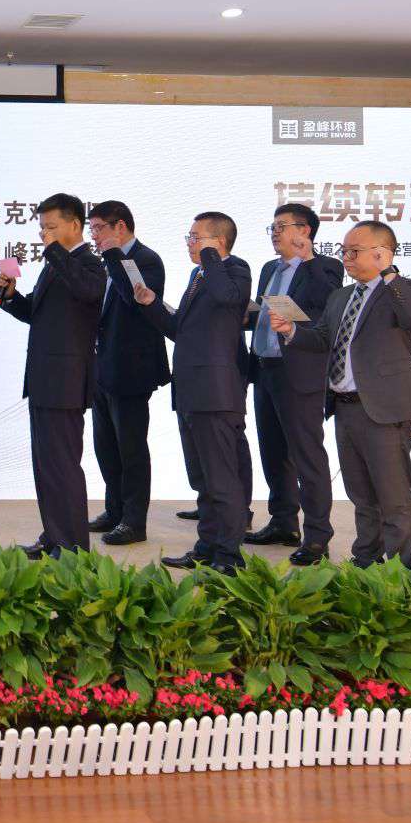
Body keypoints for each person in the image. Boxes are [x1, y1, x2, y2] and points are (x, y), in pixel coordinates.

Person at [270, 220, 411, 568]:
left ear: (381, 253)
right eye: (344, 251)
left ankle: (400, 573)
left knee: (393, 497)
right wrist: (291, 331)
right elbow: (322, 339)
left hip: (384, 410)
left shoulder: (405, 290)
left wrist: (389, 273)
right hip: (344, 408)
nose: (346, 258)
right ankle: (366, 562)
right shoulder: (341, 296)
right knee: (361, 495)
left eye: (354, 251)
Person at [131, 212, 252, 573]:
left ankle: (229, 555)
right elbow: (179, 330)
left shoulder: (235, 269)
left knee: (222, 479)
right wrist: (151, 303)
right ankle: (207, 546)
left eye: (196, 237)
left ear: (220, 242)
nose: (190, 243)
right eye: (190, 237)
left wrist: (210, 255)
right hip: (190, 390)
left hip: (217, 393)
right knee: (202, 478)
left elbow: (228, 297)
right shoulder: (198, 275)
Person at [0, 193, 107, 557]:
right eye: (42, 227)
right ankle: (55, 536)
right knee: (45, 467)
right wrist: (10, 296)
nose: (44, 233)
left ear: (74, 225)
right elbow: (37, 313)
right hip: (44, 379)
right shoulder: (57, 265)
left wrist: (54, 252)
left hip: (66, 382)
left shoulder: (90, 264)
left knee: (63, 466)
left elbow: (88, 292)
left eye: (51, 226)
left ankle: (72, 548)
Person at [243, 203, 345, 564]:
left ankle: (317, 536)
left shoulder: (326, 267)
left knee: (307, 456)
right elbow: (265, 313)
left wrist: (308, 258)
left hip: (299, 373)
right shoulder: (269, 268)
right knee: (273, 451)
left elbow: (326, 301)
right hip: (265, 368)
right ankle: (283, 522)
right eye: (272, 227)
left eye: (281, 226)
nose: (274, 233)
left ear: (304, 231)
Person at [85, 201, 168, 546]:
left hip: (132, 369)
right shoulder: (105, 262)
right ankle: (114, 509)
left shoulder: (146, 260)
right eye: (91, 229)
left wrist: (114, 256)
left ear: (120, 226)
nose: (94, 236)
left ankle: (134, 521)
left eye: (99, 228)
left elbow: (134, 300)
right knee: (105, 446)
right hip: (101, 367)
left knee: (131, 448)